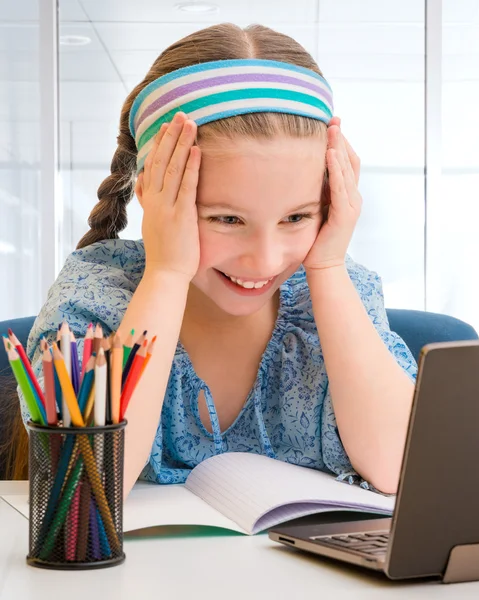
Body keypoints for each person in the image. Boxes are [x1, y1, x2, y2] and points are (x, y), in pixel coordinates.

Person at [14, 23, 417, 496]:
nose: (265, 259)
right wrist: (166, 273)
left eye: (296, 217)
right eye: (227, 219)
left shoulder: (340, 292)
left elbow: (400, 469)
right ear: (153, 194)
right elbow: (86, 488)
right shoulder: (93, 298)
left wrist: (327, 266)